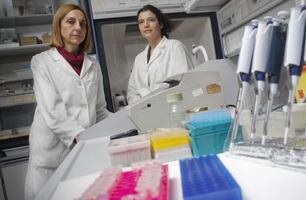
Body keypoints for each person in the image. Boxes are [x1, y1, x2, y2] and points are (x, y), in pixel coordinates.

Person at [24, 4, 110, 199]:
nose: (78, 27)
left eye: (82, 24)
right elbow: (53, 109)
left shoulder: (93, 65)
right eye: (71, 22)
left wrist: (126, 121)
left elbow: (100, 109)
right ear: (59, 26)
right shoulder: (41, 62)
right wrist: (80, 135)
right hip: (51, 155)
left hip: (82, 152)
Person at [127, 4, 194, 105]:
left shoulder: (175, 47)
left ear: (161, 24)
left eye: (151, 20)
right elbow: (132, 92)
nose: (146, 25)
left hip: (172, 108)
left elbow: (185, 83)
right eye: (141, 22)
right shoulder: (138, 59)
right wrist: (143, 107)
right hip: (144, 114)